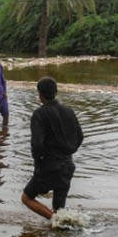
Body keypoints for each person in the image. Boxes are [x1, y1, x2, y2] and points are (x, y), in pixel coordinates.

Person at [21, 77, 84, 220]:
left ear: (40, 94)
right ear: (56, 92)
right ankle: (60, 230)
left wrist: (38, 164)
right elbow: (80, 137)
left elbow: (37, 144)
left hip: (49, 166)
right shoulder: (69, 111)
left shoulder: (39, 114)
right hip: (68, 166)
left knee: (27, 198)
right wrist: (68, 152)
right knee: (59, 209)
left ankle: (56, 222)